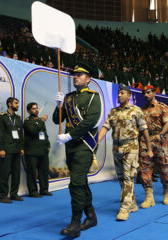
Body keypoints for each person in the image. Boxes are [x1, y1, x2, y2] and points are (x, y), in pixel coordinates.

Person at [53, 63, 101, 238]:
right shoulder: (68, 98)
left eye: (80, 75)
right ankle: (91, 216)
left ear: (88, 79)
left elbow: (90, 122)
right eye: (74, 74)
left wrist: (70, 135)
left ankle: (75, 223)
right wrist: (58, 105)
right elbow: (55, 120)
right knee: (81, 182)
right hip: (70, 148)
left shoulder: (93, 97)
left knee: (75, 184)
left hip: (83, 146)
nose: (75, 77)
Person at [97, 83, 153, 221]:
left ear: (128, 96)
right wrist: (97, 141)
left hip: (131, 146)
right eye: (119, 93)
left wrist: (149, 148)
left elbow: (144, 130)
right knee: (121, 177)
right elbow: (105, 127)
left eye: (122, 93)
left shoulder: (136, 110)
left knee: (128, 177)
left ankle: (124, 207)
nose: (119, 95)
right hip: (116, 147)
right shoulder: (113, 111)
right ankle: (132, 203)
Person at [138, 85, 168, 208]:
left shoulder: (163, 107)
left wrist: (161, 134)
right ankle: (149, 196)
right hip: (145, 142)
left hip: (160, 142)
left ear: (154, 93)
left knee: (164, 168)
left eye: (148, 93)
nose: (146, 95)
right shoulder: (141, 110)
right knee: (145, 169)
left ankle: (167, 192)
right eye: (144, 93)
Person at [0, 97, 24, 203]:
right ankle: (3, 195)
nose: (17, 105)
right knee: (4, 173)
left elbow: (20, 134)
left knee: (16, 173)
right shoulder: (2, 118)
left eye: (18, 103)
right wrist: (1, 149)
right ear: (9, 104)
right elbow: (0, 134)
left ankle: (14, 194)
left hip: (17, 149)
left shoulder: (17, 118)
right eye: (16, 103)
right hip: (7, 149)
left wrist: (21, 147)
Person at [24, 102, 51, 198]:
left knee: (44, 172)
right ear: (29, 111)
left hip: (43, 150)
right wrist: (42, 121)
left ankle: (44, 190)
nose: (36, 110)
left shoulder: (40, 121)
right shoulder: (27, 121)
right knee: (32, 172)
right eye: (33, 108)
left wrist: (48, 145)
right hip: (32, 151)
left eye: (37, 108)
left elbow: (45, 134)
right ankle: (33, 192)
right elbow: (33, 131)